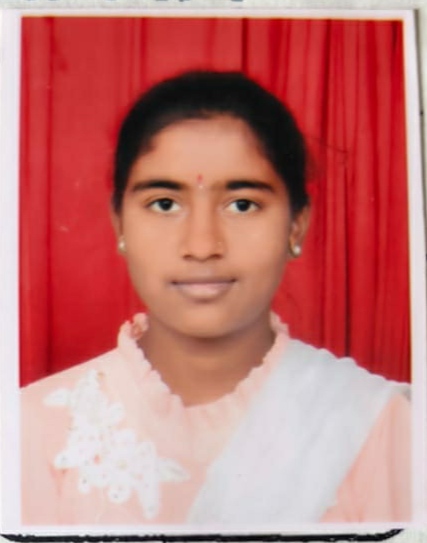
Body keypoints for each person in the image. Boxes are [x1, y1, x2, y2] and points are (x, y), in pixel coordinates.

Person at [21, 71, 411, 528]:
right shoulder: (29, 431)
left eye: (242, 204)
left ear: (296, 225)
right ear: (119, 223)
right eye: (165, 204)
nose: (202, 245)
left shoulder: (381, 426)